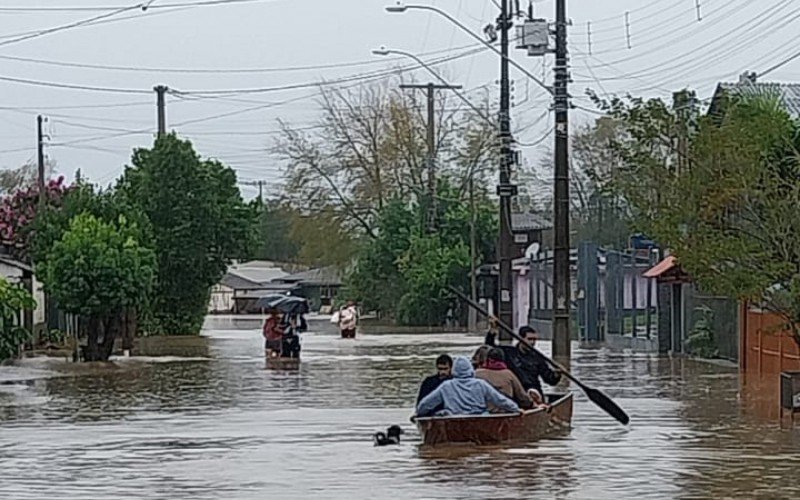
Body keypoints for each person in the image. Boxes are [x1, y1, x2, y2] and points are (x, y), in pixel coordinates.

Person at [416, 356, 520, 417]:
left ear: (454, 370)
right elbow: (500, 400)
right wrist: (516, 409)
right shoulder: (480, 384)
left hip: (454, 417)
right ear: (470, 369)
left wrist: (419, 413)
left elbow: (426, 404)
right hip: (479, 417)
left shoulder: (446, 386)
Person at [485, 324, 561, 404]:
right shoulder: (509, 353)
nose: (532, 342)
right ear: (520, 338)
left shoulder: (538, 357)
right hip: (515, 395)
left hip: (534, 394)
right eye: (529, 339)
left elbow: (549, 379)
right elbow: (489, 347)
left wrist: (557, 374)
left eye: (534, 339)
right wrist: (492, 332)